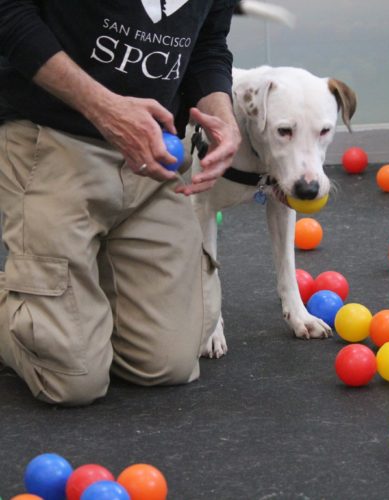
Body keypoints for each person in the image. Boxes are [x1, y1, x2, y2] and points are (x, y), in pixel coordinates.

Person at [0, 0, 241, 406]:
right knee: (71, 379)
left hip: (153, 158)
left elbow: (208, 44)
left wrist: (222, 115)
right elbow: (9, 14)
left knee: (167, 364)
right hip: (53, 135)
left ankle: (76, 289)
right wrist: (106, 108)